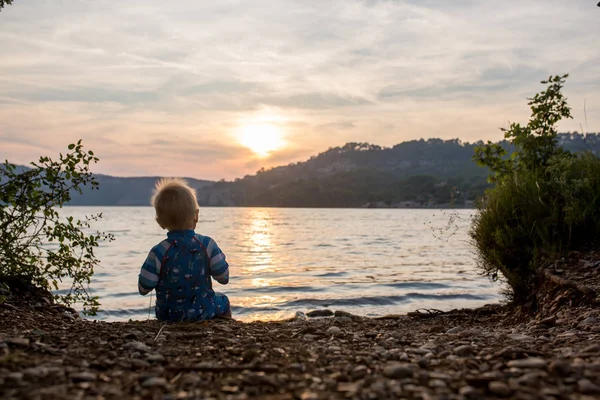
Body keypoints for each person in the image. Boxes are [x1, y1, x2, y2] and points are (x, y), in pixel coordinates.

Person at [137, 178, 231, 322]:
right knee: (223, 300)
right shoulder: (207, 244)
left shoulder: (158, 251)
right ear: (196, 215)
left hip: (167, 315)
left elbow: (144, 288)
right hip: (202, 311)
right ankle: (226, 329)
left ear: (160, 222)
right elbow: (223, 278)